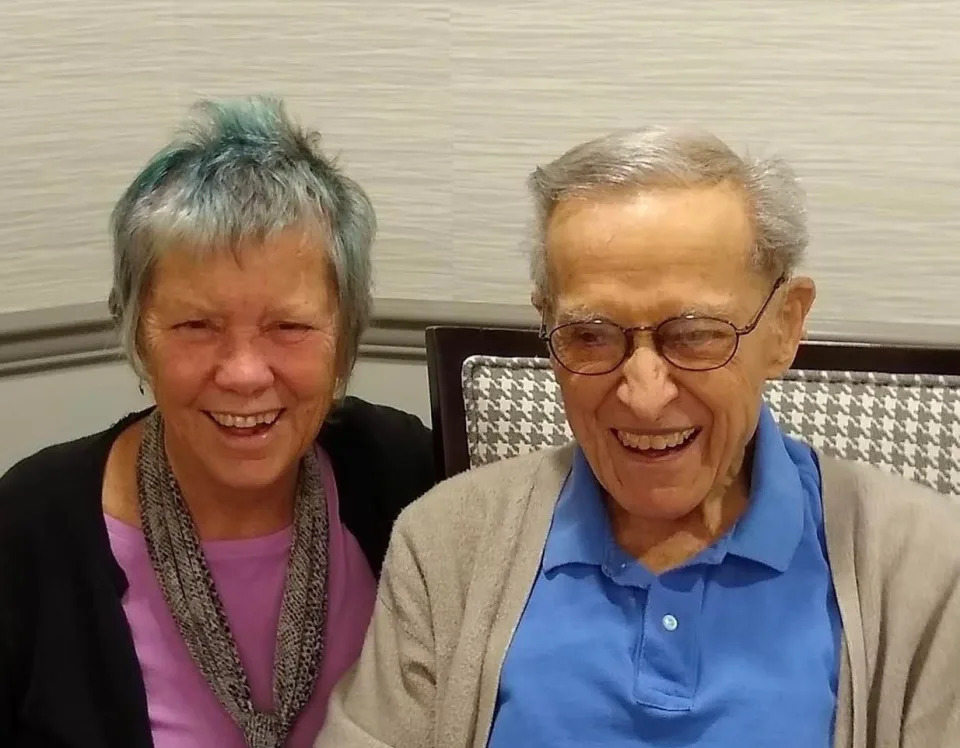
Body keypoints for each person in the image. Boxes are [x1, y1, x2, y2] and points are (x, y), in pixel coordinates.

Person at [315, 128, 960, 747]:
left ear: (784, 328)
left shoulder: (925, 566)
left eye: (696, 334)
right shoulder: (446, 544)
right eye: (590, 336)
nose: (644, 394)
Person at [0, 96, 435, 748]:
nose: (243, 373)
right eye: (195, 326)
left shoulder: (408, 480)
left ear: (345, 338)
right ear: (138, 336)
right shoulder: (30, 528)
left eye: (288, 326)